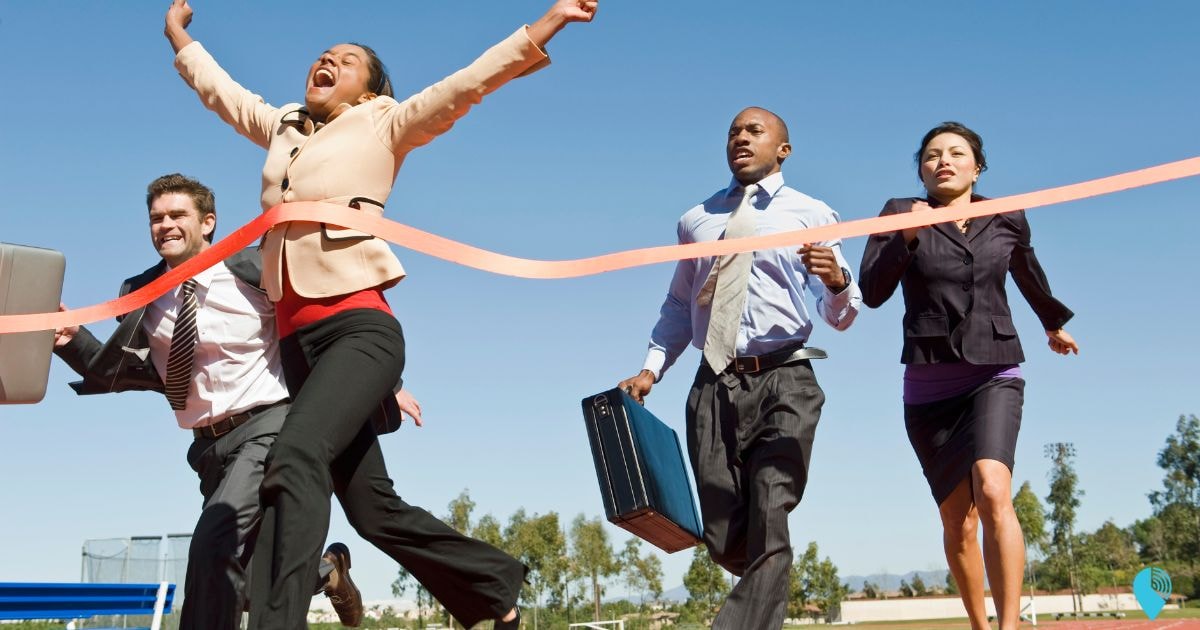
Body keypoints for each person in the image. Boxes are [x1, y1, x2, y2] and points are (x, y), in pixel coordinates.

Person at [162, 1, 598, 627]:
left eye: (345, 61)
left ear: (370, 88)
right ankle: (496, 587)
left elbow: (467, 83)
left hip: (358, 328)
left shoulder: (383, 124)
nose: (326, 62)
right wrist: (179, 38)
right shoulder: (283, 125)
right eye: (322, 55)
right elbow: (223, 94)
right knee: (372, 511)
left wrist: (547, 24)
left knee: (293, 459)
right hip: (297, 346)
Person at [51, 173, 406, 628]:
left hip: (267, 428)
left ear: (208, 223)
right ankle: (327, 572)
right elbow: (132, 373)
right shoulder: (140, 293)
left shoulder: (256, 270)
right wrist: (71, 340)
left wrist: (386, 382)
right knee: (246, 576)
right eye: (156, 218)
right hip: (207, 449)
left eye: (178, 215)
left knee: (211, 548)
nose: (166, 225)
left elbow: (320, 327)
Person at [618, 107, 861, 629]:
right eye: (733, 132)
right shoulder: (697, 220)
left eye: (754, 131)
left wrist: (838, 282)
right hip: (713, 384)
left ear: (783, 150)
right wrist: (651, 369)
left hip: (786, 378)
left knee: (773, 506)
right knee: (727, 537)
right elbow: (680, 305)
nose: (741, 138)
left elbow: (841, 313)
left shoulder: (813, 213)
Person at [858, 121, 1079, 630]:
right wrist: (906, 240)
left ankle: (1008, 626)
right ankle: (979, 626)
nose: (944, 161)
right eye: (932, 155)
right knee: (958, 522)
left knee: (994, 487)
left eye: (957, 153)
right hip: (929, 382)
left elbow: (1028, 272)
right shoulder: (898, 213)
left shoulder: (1005, 214)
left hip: (994, 369)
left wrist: (1054, 323)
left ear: (977, 167)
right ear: (920, 169)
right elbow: (871, 291)